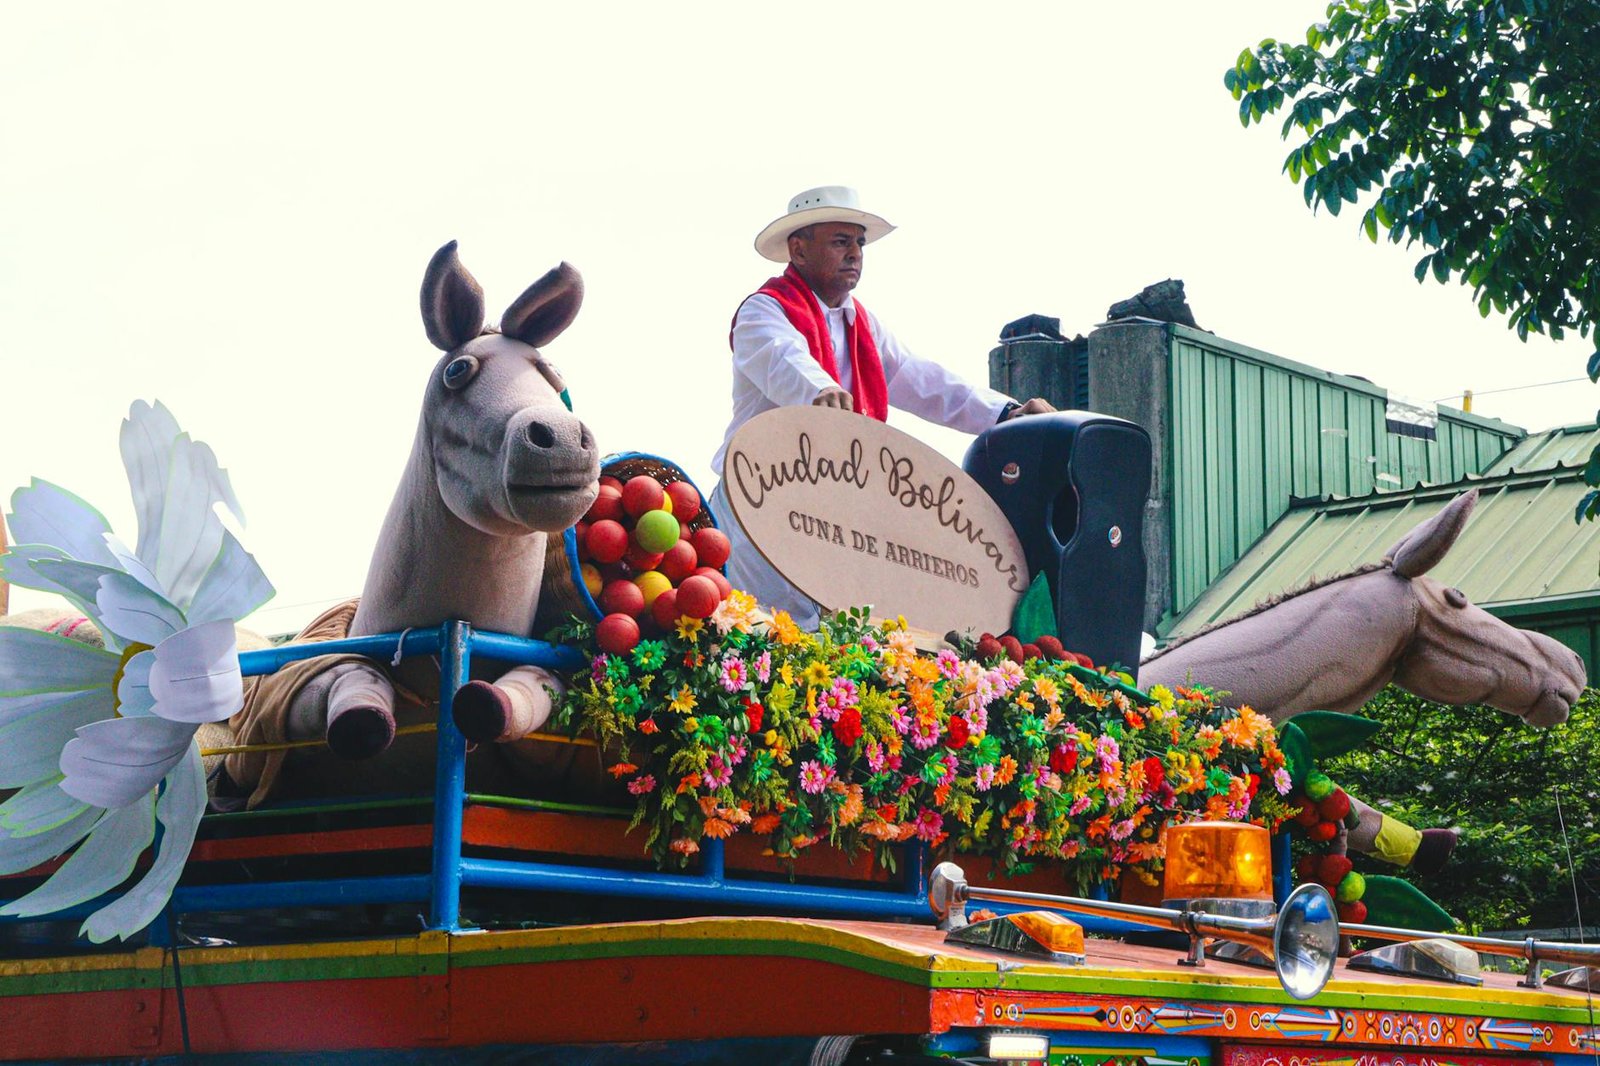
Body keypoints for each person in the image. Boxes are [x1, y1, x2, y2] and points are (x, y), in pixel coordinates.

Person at [708, 185, 1055, 626]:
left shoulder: (862, 325)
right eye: (840, 241)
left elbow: (922, 378)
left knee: (838, 638)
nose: (855, 253)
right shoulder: (764, 311)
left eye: (859, 243)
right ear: (798, 250)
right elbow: (782, 357)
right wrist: (820, 392)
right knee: (766, 629)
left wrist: (1005, 414)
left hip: (835, 512)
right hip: (757, 499)